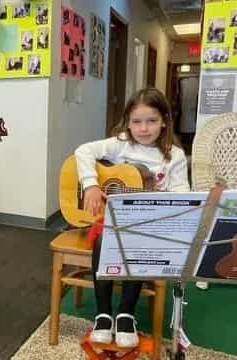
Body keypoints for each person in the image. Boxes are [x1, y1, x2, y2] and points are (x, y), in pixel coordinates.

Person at [74, 88, 189, 348]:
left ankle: (126, 313)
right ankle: (103, 314)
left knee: (139, 241)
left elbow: (183, 196)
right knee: (104, 240)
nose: (144, 128)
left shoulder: (175, 156)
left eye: (151, 120)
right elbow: (83, 151)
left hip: (150, 226)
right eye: (136, 121)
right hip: (112, 221)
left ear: (165, 121)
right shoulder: (120, 144)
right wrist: (91, 184)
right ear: (127, 121)